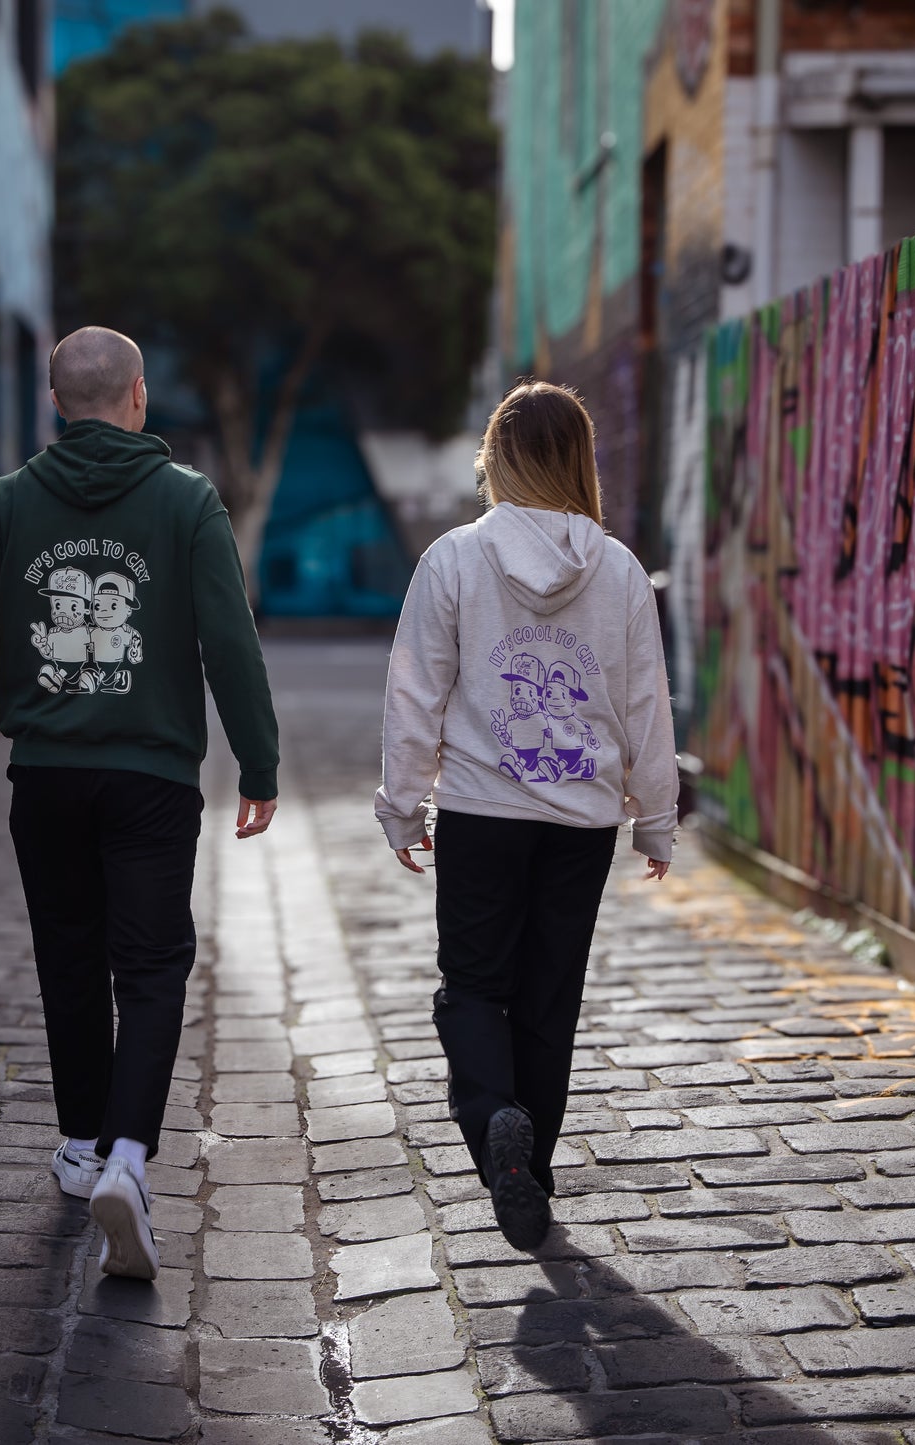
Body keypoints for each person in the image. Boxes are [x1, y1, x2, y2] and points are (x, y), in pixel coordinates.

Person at [0, 326, 279, 1282]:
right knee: (150, 967)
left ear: (58, 402)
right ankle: (130, 1160)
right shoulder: (186, 502)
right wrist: (257, 764)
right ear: (137, 396)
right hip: (151, 779)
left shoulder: (9, 503)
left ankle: (83, 1145)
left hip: (46, 777)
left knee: (68, 958)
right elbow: (230, 639)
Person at [375, 379, 677, 1252]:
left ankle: (494, 1123)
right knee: (549, 998)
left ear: (496, 457)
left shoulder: (452, 559)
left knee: (473, 986)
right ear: (580, 460)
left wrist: (402, 806)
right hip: (580, 823)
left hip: (480, 812)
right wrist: (654, 817)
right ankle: (531, 1168)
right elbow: (644, 704)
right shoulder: (617, 569)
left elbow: (414, 692)